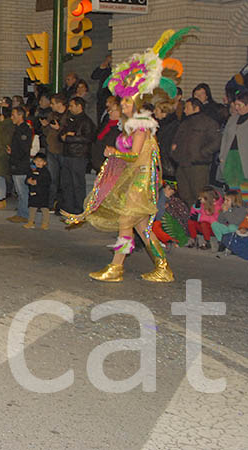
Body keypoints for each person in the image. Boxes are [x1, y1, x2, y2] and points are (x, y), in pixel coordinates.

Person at [63, 26, 194, 282]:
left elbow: (135, 155)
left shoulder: (142, 126)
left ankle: (116, 267)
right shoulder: (130, 126)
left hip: (140, 182)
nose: (122, 105)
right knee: (142, 228)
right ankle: (163, 267)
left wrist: (115, 152)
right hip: (133, 180)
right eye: (121, 101)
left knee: (126, 222)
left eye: (125, 102)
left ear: (134, 103)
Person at [171, 98, 221, 206]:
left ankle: (202, 221)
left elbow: (216, 141)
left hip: (198, 166)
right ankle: (188, 221)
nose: (184, 111)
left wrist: (202, 153)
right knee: (184, 197)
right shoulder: (184, 123)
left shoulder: (208, 122)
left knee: (201, 197)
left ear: (196, 108)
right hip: (182, 165)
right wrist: (175, 154)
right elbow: (175, 141)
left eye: (187, 108)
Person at [59, 97, 95, 215]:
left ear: (79, 106)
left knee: (77, 183)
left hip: (79, 155)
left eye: (72, 105)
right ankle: (68, 206)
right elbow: (61, 133)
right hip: (68, 154)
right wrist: (65, 135)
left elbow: (88, 138)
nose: (69, 108)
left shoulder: (86, 121)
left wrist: (70, 138)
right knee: (67, 182)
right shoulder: (70, 119)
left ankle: (79, 208)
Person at [217, 89, 248, 202]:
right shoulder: (232, 119)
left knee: (245, 193)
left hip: (243, 161)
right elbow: (224, 138)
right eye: (236, 105)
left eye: (240, 105)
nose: (236, 108)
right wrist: (222, 155)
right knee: (232, 190)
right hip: (230, 159)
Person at [7, 106, 32, 223]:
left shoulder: (24, 129)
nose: (12, 117)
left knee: (22, 191)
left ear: (20, 116)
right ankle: (21, 212)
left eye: (13, 115)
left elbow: (24, 148)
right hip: (16, 162)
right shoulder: (17, 128)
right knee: (19, 190)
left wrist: (15, 155)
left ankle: (24, 214)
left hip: (21, 164)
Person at [24, 152, 51, 229]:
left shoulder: (45, 172)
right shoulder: (32, 170)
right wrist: (28, 181)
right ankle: (30, 222)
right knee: (32, 208)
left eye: (41, 161)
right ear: (34, 161)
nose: (38, 163)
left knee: (44, 209)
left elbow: (48, 182)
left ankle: (45, 223)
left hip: (43, 194)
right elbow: (27, 178)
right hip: (33, 193)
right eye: (37, 161)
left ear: (44, 163)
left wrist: (38, 182)